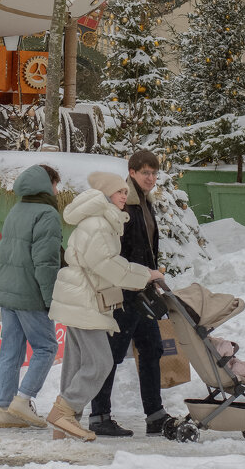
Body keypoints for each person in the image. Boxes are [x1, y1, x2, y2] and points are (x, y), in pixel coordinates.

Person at [46, 171, 164, 441]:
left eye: (125, 191)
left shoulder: (100, 221)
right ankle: (65, 412)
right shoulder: (99, 225)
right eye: (120, 192)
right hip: (85, 300)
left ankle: (65, 421)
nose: (125, 196)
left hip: (79, 297)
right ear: (107, 195)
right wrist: (146, 274)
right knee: (101, 361)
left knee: (76, 363)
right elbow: (109, 266)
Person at [87, 150, 174, 437]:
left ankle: (155, 414)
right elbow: (117, 251)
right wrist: (131, 279)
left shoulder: (144, 203)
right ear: (132, 172)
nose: (151, 178)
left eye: (154, 173)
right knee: (112, 353)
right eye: (145, 172)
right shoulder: (124, 204)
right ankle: (99, 415)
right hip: (125, 293)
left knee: (152, 349)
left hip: (143, 291)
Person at [0, 164, 63, 429]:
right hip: (30, 293)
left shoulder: (16, 210)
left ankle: (4, 408)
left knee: (11, 350)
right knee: (46, 347)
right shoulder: (47, 214)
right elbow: (45, 262)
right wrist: (50, 299)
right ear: (47, 185)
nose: (57, 190)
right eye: (55, 185)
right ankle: (23, 399)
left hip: (8, 291)